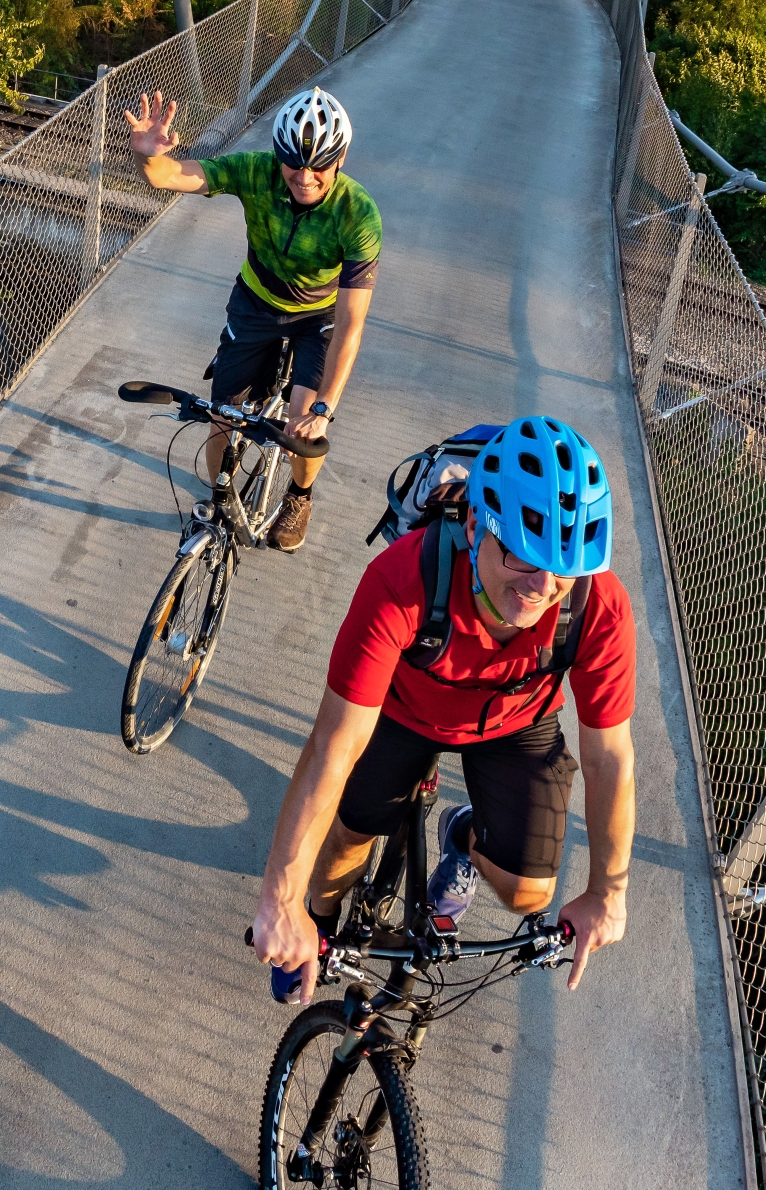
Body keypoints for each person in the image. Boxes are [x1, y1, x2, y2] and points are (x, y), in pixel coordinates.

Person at [248, 416, 636, 1001]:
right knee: (346, 843)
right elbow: (335, 743)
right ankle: (322, 922)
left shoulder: (595, 604)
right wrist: (282, 902)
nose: (541, 586)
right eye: (522, 557)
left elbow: (610, 756)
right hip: (405, 708)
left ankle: (465, 836)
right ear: (478, 522)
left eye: (563, 570)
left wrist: (608, 890)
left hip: (516, 718)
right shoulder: (401, 581)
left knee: (529, 895)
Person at [122, 84, 379, 552]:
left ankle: (300, 495)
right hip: (256, 302)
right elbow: (171, 176)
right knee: (224, 417)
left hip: (317, 316)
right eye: (293, 163)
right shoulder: (256, 172)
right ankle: (222, 495)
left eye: (319, 165)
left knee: (300, 416)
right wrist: (148, 158)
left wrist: (324, 410)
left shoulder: (357, 215)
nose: (304, 177)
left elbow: (350, 324)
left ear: (339, 160)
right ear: (278, 155)